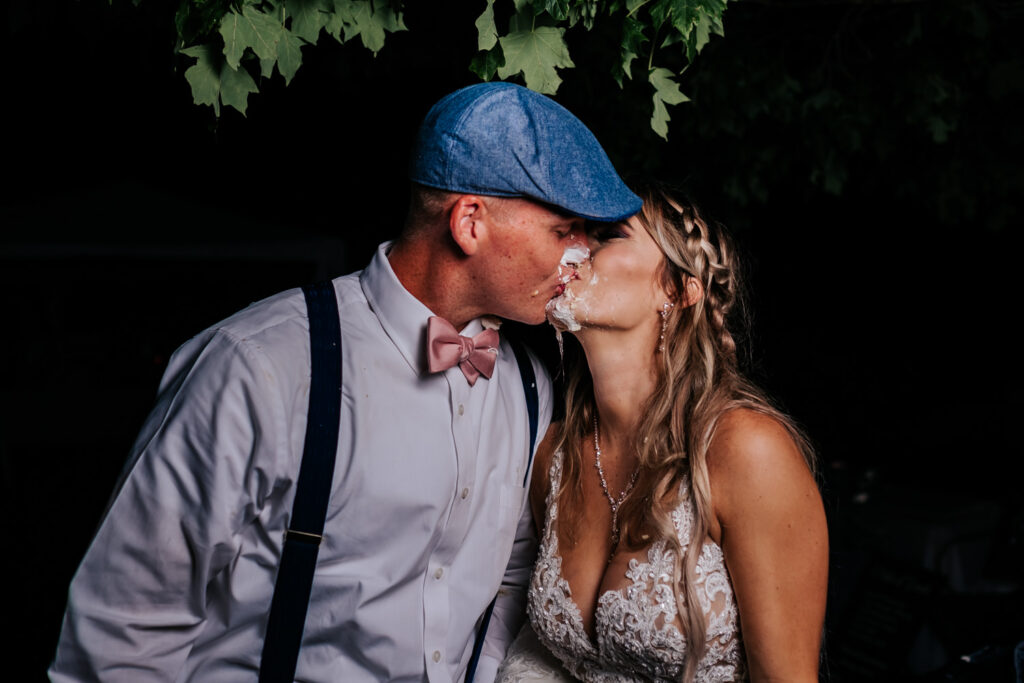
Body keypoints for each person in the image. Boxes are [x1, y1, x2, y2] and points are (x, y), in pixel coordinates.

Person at [49, 83, 642, 682]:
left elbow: (511, 586)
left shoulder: (531, 388)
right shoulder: (257, 368)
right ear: (469, 223)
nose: (582, 257)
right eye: (565, 230)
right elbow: (124, 633)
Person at [496, 184, 829, 682]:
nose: (575, 248)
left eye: (607, 236)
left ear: (675, 289)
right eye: (575, 232)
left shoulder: (746, 451)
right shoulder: (554, 455)